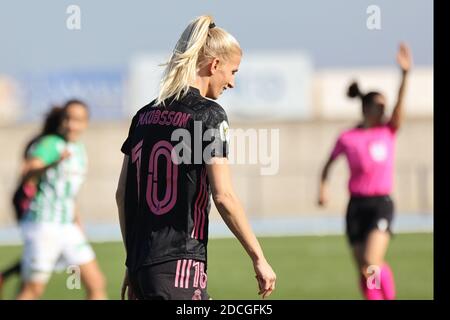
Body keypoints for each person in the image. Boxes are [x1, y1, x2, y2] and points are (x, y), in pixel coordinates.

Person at [116, 15, 276, 300]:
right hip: (179, 264)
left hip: (141, 265)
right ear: (215, 65)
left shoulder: (144, 115)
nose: (232, 83)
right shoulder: (208, 114)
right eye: (233, 72)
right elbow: (224, 195)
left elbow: (122, 195)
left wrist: (132, 260)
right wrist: (258, 257)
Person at [318, 43, 412, 300]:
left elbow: (400, 105)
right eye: (380, 107)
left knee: (372, 259)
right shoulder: (348, 137)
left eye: (386, 107)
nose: (385, 111)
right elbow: (327, 165)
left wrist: (404, 75)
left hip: (380, 204)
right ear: (366, 109)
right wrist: (323, 190)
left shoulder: (388, 131)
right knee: (364, 268)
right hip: (356, 206)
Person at [15, 99, 107, 300]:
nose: (72, 124)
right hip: (44, 225)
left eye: (78, 120)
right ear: (61, 120)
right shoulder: (50, 144)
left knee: (96, 284)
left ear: (86, 123)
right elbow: (27, 174)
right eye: (68, 118)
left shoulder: (79, 150)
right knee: (32, 290)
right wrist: (52, 163)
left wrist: (77, 220)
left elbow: (68, 193)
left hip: (67, 227)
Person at [0, 106, 64, 298]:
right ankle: (8, 277)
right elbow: (27, 171)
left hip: (24, 197)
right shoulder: (47, 144)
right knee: (42, 252)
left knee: (40, 254)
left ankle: (10, 279)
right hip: (29, 201)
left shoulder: (40, 141)